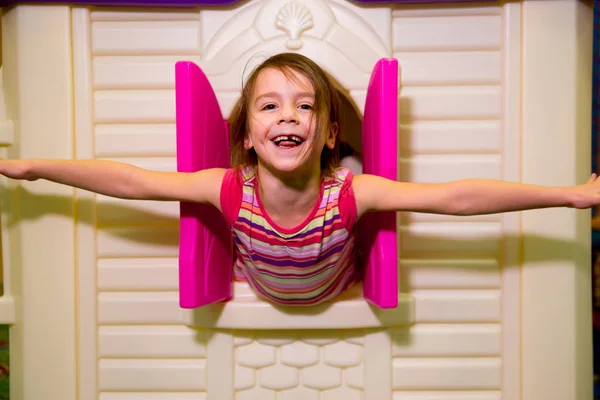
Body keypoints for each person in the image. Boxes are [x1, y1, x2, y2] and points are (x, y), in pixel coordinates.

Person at [0, 52, 598, 306]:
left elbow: (456, 198)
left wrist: (572, 195)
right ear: (246, 136)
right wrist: (32, 168)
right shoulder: (228, 185)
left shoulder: (351, 193)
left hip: (338, 286)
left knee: (363, 194)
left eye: (304, 106)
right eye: (269, 107)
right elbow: (132, 181)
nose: (287, 115)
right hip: (255, 282)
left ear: (329, 131)